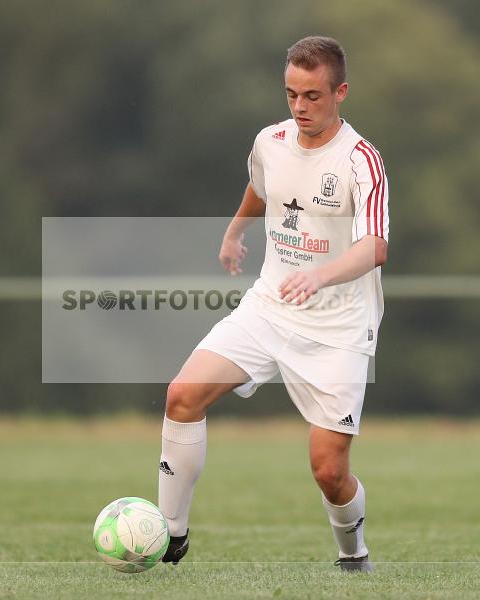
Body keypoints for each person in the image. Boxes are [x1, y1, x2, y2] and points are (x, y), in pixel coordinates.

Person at [158, 35, 389, 572]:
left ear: (341, 92)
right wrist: (236, 231)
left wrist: (321, 276)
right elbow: (263, 189)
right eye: (291, 95)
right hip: (269, 308)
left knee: (328, 470)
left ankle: (353, 555)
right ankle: (169, 535)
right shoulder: (271, 141)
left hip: (339, 327)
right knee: (182, 396)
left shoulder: (362, 161)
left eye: (312, 95)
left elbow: (375, 246)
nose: (300, 107)